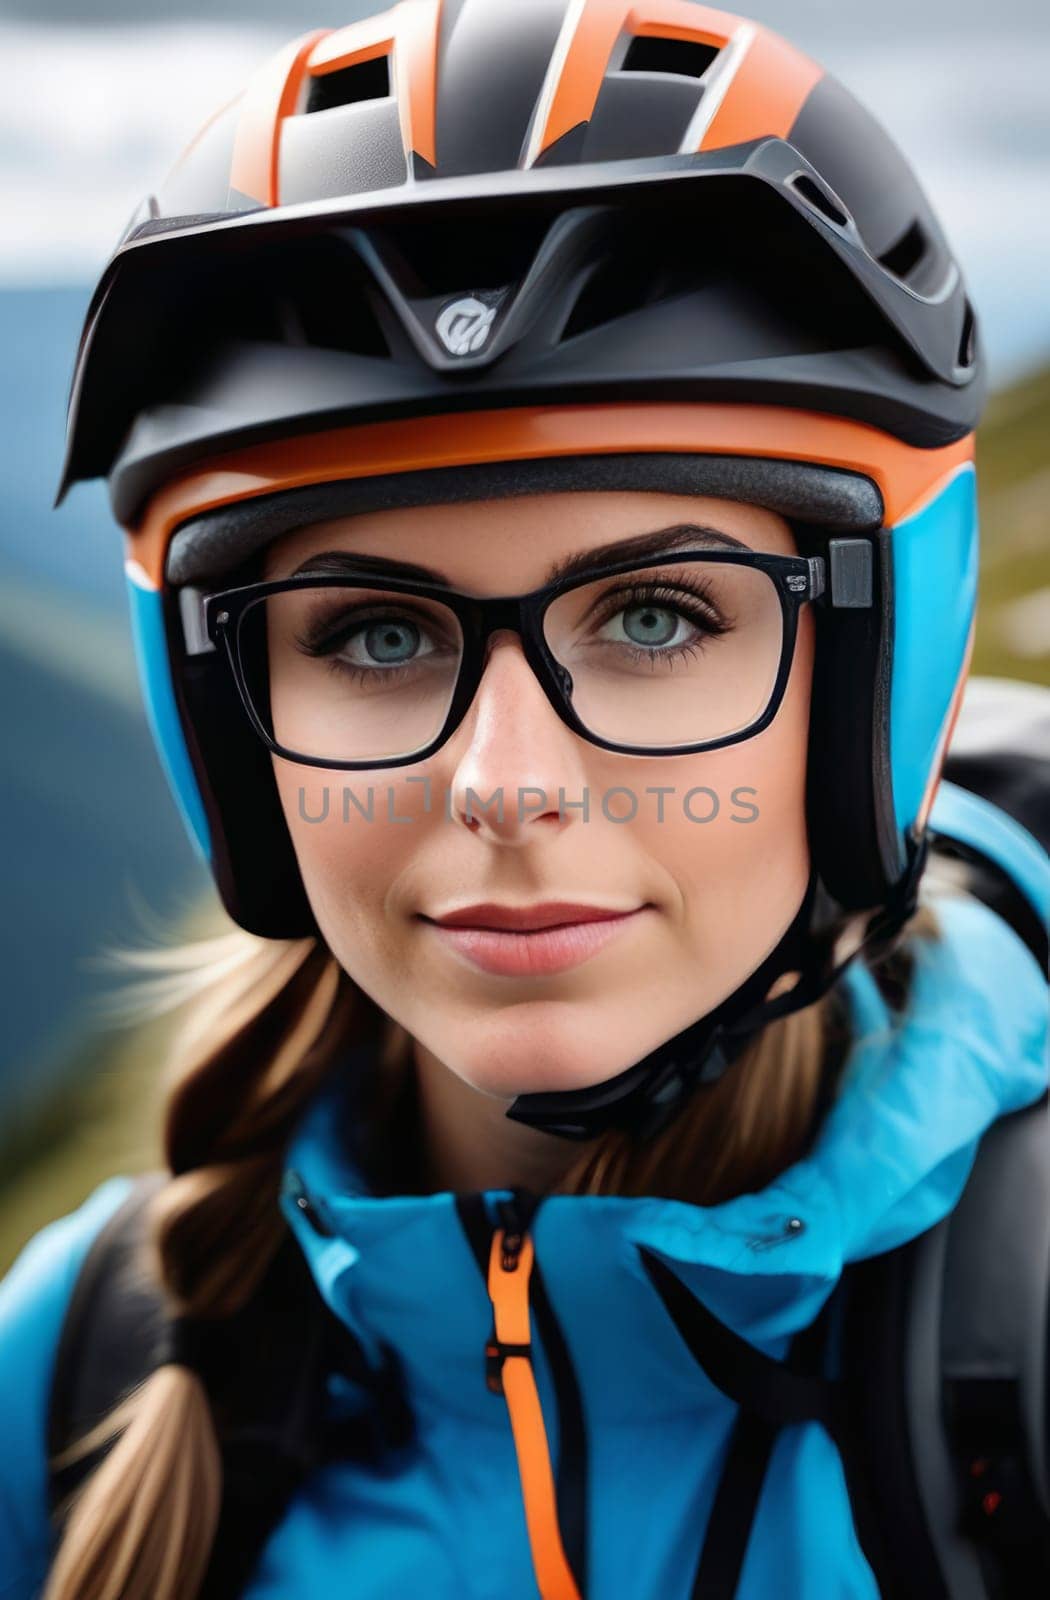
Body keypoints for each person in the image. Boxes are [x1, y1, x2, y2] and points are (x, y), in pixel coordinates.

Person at [2, 3, 1047, 1597]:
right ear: (227, 718)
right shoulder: (73, 1372)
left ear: (873, 669)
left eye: (654, 619)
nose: (504, 784)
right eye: (376, 633)